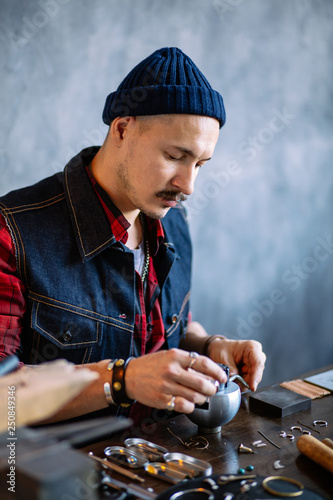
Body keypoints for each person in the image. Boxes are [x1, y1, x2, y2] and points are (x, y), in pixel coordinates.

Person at [0, 47, 265, 423]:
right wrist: (121, 381)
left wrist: (209, 345)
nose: (187, 185)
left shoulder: (173, 219)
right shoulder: (11, 233)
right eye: (175, 156)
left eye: (200, 164)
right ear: (122, 129)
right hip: (53, 475)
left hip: (161, 466)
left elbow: (166, 322)